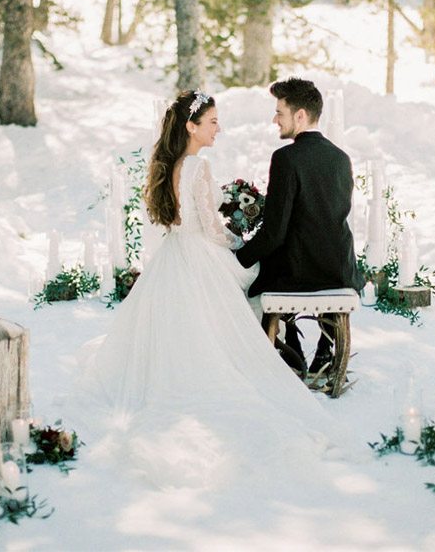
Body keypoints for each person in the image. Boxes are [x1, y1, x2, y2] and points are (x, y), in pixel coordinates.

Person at [74, 90, 355, 488]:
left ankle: (289, 349)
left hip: (175, 254)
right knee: (242, 285)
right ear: (191, 126)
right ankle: (282, 352)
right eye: (212, 122)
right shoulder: (200, 166)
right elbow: (209, 228)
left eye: (278, 113)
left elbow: (185, 221)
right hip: (210, 251)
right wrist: (239, 245)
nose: (218, 128)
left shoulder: (170, 164)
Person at [236, 78, 366, 376]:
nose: (274, 119)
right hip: (339, 269)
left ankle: (290, 348)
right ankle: (324, 346)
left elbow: (274, 232)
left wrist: (240, 257)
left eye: (279, 112)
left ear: (300, 115)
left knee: (256, 273)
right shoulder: (341, 158)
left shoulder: (285, 158)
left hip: (299, 273)